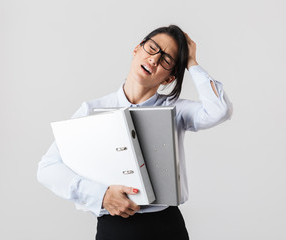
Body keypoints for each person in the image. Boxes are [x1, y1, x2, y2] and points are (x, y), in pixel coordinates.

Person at [37, 25, 233, 240]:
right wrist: (101, 195)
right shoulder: (90, 110)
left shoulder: (175, 110)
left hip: (166, 227)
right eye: (152, 48)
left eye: (167, 59)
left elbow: (219, 110)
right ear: (136, 50)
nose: (155, 59)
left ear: (169, 78)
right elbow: (47, 168)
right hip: (114, 227)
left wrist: (192, 63)